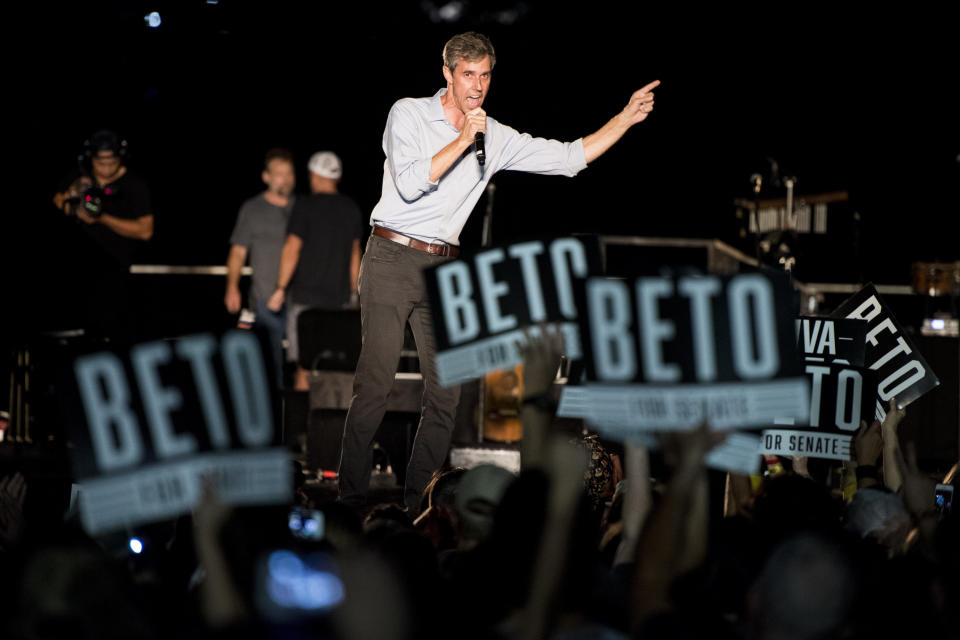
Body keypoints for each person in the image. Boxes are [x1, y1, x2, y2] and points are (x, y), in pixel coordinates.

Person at [340, 31, 659, 513]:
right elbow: (407, 185)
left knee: (447, 393)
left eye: (485, 75)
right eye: (468, 75)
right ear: (447, 74)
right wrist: (466, 139)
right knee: (376, 384)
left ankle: (418, 505)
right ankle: (350, 502)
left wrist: (624, 119)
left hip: (444, 268)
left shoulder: (498, 135)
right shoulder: (408, 112)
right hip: (391, 255)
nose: (478, 86)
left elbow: (570, 159)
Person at [267, 151, 364, 390]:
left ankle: (302, 426)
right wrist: (355, 293)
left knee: (304, 368)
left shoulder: (305, 206)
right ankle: (337, 421)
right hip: (340, 302)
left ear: (316, 176)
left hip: (305, 302)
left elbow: (292, 248)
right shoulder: (351, 208)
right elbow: (355, 254)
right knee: (336, 367)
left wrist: (280, 288)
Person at [51, 130, 154, 341]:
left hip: (115, 270)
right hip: (77, 271)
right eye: (100, 162)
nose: (106, 167)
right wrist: (72, 193)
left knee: (110, 331)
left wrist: (101, 219)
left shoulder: (135, 185)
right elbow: (57, 202)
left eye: (111, 161)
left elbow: (146, 231)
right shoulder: (80, 175)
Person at [224, 148, 296, 388]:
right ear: (266, 177)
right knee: (269, 367)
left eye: (288, 173)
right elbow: (238, 252)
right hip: (264, 301)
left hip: (300, 300)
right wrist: (232, 287)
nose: (285, 179)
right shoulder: (252, 208)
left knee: (302, 366)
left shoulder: (303, 207)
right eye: (279, 174)